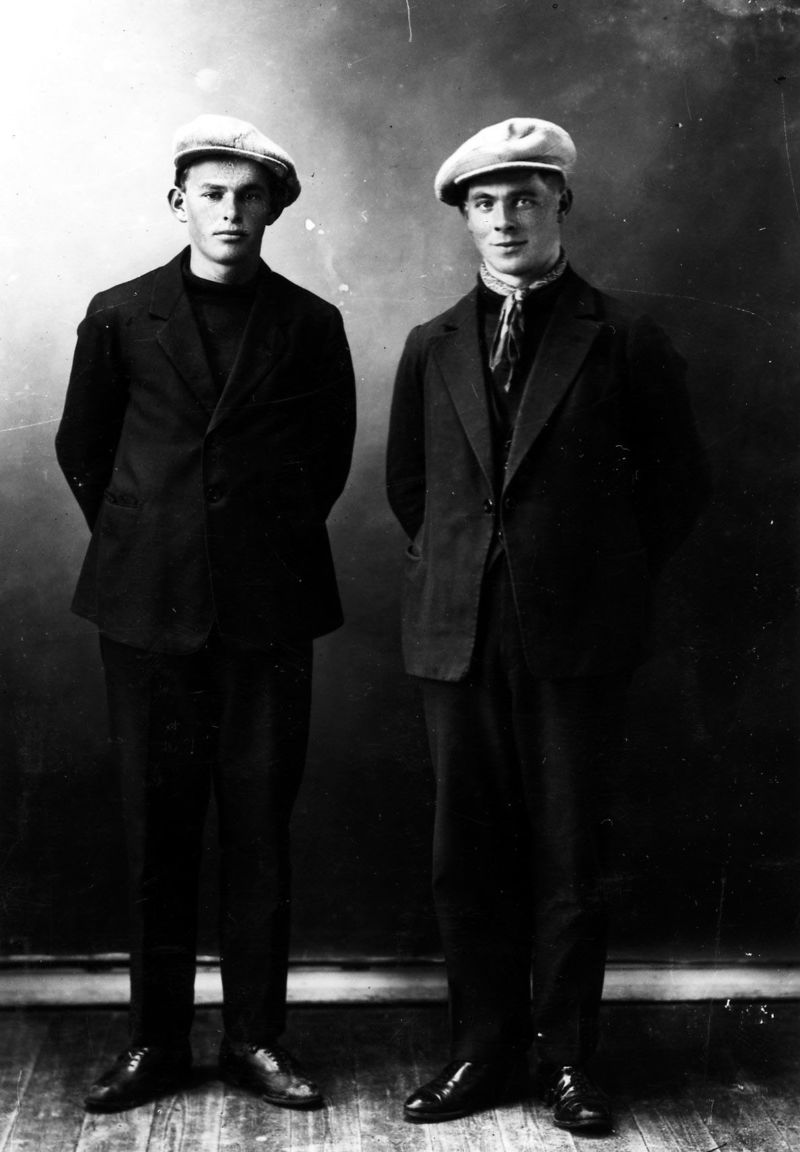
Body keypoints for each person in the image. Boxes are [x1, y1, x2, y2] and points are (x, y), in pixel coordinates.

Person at [386, 117, 710, 1133]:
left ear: (559, 204)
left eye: (523, 198)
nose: (503, 219)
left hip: (575, 637)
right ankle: (480, 1051)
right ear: (464, 218)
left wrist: (591, 577)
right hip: (456, 635)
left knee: (570, 852)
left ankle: (566, 1057)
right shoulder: (431, 343)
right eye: (484, 203)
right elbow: (410, 489)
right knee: (465, 855)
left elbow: (676, 485)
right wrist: (467, 579)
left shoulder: (622, 338)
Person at [56, 114, 356, 1113]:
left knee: (259, 832)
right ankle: (153, 1043)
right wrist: (156, 546)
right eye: (213, 193)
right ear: (178, 201)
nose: (230, 211)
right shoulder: (119, 314)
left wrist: (244, 552)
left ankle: (255, 1040)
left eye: (250, 196)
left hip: (267, 616)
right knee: (157, 834)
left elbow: (324, 463)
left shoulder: (310, 324)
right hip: (145, 613)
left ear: (273, 210)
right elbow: (84, 449)